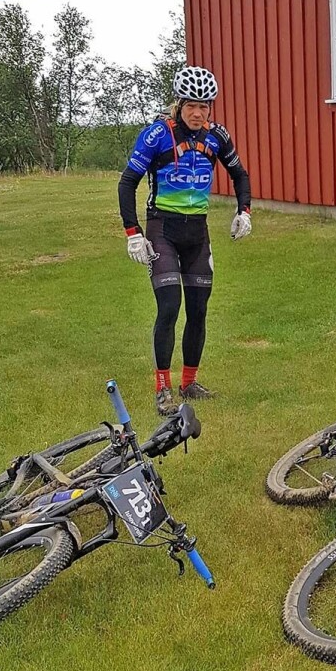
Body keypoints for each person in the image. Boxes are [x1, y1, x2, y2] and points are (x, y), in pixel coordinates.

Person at [118, 66, 252, 415]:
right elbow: (127, 182)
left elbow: (239, 174)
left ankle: (189, 382)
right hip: (163, 230)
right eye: (192, 105)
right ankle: (162, 387)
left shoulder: (216, 137)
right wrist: (133, 233)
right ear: (179, 104)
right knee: (169, 307)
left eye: (205, 106)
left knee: (199, 309)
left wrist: (244, 211)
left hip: (198, 234)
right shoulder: (156, 136)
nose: (198, 113)